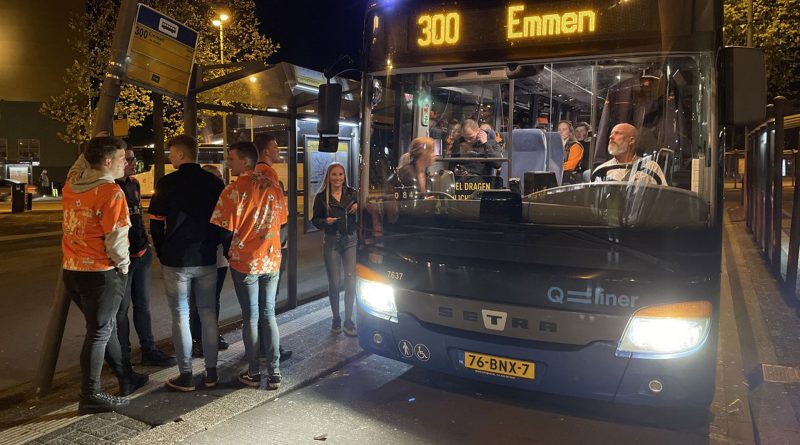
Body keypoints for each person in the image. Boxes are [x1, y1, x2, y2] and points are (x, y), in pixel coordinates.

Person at [62, 135, 136, 414]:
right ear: (107, 162)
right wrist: (124, 266)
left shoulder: (72, 184)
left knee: (102, 330)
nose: (125, 162)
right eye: (121, 158)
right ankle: (90, 394)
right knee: (98, 333)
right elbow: (116, 238)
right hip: (101, 273)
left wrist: (94, 143)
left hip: (73, 270)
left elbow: (78, 163)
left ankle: (125, 376)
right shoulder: (111, 192)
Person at [149, 134, 224, 391]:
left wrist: (161, 251)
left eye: (171, 152)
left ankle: (186, 374)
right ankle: (212, 372)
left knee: (180, 315)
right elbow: (222, 221)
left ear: (181, 155)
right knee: (208, 314)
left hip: (176, 260)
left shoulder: (167, 183)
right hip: (206, 258)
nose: (169, 156)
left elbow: (156, 223)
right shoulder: (213, 183)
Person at [210, 141, 287, 389]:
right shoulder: (273, 186)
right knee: (269, 314)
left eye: (231, 159)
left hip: (246, 262)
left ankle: (253, 371)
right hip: (272, 259)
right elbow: (283, 222)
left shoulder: (234, 190)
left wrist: (232, 252)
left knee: (251, 317)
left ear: (245, 161)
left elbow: (222, 229)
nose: (228, 163)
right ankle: (274, 371)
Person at [115, 149, 175, 369]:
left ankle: (148, 350)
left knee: (143, 305)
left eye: (134, 159)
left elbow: (136, 214)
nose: (133, 163)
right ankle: (123, 357)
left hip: (140, 252)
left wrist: (146, 243)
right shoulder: (111, 188)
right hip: (123, 258)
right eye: (128, 159)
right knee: (122, 310)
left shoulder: (133, 184)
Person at [254, 134, 294, 362]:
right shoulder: (269, 174)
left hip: (258, 247)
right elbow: (281, 217)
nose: (279, 149)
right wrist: (283, 241)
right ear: (266, 151)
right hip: (273, 248)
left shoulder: (253, 174)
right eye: (275, 145)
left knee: (260, 302)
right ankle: (269, 348)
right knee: (268, 302)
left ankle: (260, 344)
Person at [311, 163, 358, 336]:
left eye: (341, 174)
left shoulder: (352, 193)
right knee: (334, 282)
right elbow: (315, 220)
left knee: (351, 280)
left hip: (350, 240)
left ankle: (348, 320)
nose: (338, 178)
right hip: (331, 241)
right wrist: (325, 222)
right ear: (328, 177)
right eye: (334, 175)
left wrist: (358, 207)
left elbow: (366, 211)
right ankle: (336, 318)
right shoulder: (321, 197)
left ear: (344, 176)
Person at [189, 164, 230, 358]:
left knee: (214, 298)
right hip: (203, 257)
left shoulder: (224, 198)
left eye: (221, 177)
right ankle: (198, 338)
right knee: (199, 300)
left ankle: (212, 334)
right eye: (217, 177)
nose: (220, 180)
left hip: (220, 257)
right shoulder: (200, 201)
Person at [592, 123, 667, 185]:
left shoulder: (650, 167)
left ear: (631, 140)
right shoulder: (602, 170)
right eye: (611, 134)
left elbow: (663, 196)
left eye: (617, 133)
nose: (611, 137)